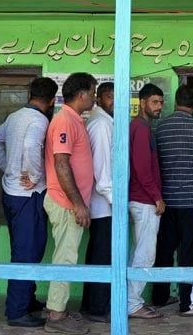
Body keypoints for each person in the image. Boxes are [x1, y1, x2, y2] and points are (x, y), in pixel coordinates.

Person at [0, 77, 58, 328]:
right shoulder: (39, 120)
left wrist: (6, 166)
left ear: (30, 94)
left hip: (11, 193)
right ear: (51, 101)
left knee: (27, 248)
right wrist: (35, 175)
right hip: (28, 196)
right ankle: (17, 312)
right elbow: (30, 145)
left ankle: (26, 299)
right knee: (26, 253)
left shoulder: (15, 116)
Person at [153, 84, 193, 317]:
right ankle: (188, 304)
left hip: (166, 200)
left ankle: (159, 297)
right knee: (190, 251)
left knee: (164, 249)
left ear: (175, 102)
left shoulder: (160, 127)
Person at [43, 72, 97, 335]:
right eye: (93, 92)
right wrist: (78, 204)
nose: (95, 97)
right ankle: (56, 315)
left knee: (67, 256)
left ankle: (58, 308)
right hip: (65, 202)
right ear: (82, 95)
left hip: (70, 201)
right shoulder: (65, 121)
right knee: (65, 257)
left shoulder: (75, 120)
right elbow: (62, 165)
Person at [126, 84, 166, 320]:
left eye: (161, 102)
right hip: (143, 200)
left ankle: (133, 301)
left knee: (139, 252)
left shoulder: (141, 127)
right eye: (154, 102)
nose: (159, 106)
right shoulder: (140, 129)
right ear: (142, 103)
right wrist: (157, 197)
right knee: (144, 255)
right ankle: (132, 305)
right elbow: (142, 168)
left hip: (140, 198)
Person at [80, 82, 114, 323]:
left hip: (101, 203)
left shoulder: (104, 122)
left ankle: (91, 305)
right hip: (103, 204)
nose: (113, 101)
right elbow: (102, 173)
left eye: (116, 96)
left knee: (97, 255)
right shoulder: (101, 125)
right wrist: (116, 201)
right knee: (102, 257)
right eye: (108, 97)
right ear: (99, 100)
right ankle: (98, 309)